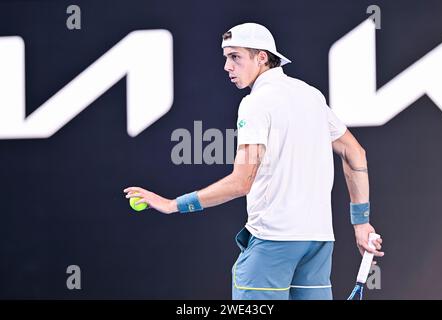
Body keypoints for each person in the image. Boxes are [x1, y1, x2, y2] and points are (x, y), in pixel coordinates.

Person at [123, 22, 384, 300]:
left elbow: (241, 182)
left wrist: (173, 204)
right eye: (225, 57)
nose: (227, 66)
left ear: (261, 58)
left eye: (235, 56)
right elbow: (355, 153)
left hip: (273, 243)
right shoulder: (312, 96)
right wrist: (361, 223)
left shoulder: (255, 102)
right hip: (317, 245)